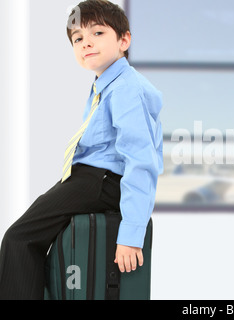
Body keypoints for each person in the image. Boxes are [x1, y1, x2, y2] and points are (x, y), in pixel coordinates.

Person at [0, 0, 163, 300]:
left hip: (100, 181)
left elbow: (142, 161)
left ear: (124, 40)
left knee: (19, 238)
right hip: (90, 178)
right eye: (78, 39)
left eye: (98, 33)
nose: (86, 43)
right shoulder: (106, 85)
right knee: (34, 237)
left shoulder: (126, 88)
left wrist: (131, 234)